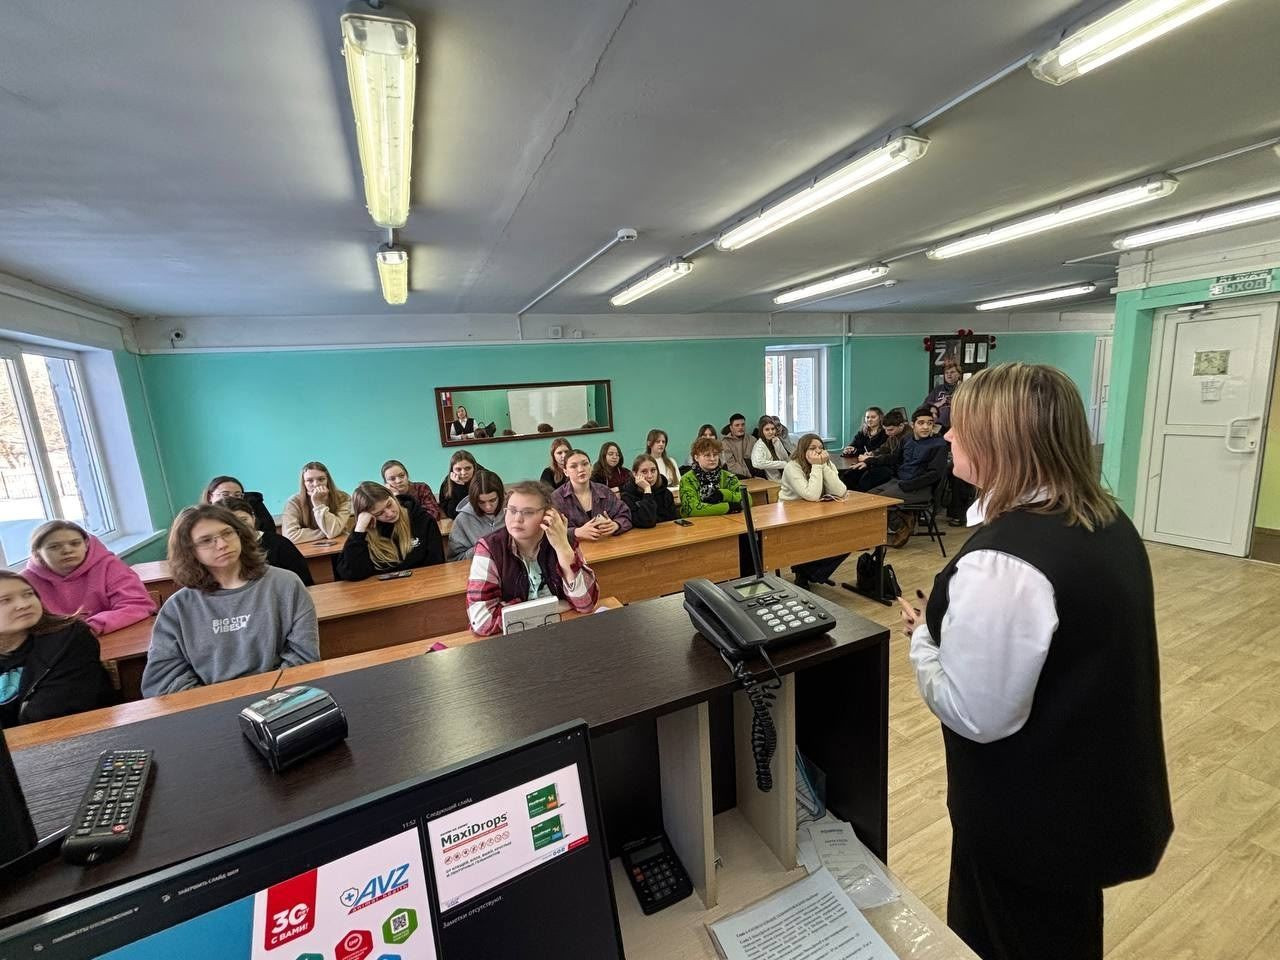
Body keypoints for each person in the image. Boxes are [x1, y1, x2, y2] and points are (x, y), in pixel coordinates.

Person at [900, 363, 1171, 960]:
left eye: (961, 427)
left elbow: (977, 714)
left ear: (1001, 442)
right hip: (1085, 799)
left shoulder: (1003, 562)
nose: (947, 435)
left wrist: (924, 642)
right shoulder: (1107, 520)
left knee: (1003, 936)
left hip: (1023, 820)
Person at [141, 505, 318, 697]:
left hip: (282, 699)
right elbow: (164, 680)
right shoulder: (177, 608)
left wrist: (269, 699)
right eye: (206, 541)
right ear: (189, 551)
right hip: (210, 706)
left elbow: (303, 657)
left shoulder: (285, 584)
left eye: (227, 533)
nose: (222, 544)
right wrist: (216, 701)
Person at [465, 481, 600, 637]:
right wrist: (555, 606)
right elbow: (481, 621)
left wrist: (562, 547)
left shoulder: (564, 540)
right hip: (511, 639)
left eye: (528, 512)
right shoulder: (490, 548)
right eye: (512, 510)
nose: (517, 519)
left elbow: (586, 603)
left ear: (548, 515)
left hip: (561, 631)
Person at [0, 571, 113, 727]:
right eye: (5, 600)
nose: (24, 604)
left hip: (76, 733)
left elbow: (47, 714)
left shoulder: (69, 638)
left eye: (28, 594)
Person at [24, 520, 156, 635]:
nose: (67, 550)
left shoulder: (109, 565)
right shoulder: (24, 581)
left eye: (75, 543)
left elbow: (137, 605)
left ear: (86, 544)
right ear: (37, 552)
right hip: (54, 645)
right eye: (54, 547)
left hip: (110, 635)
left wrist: (90, 627)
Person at [869, 407, 949, 547]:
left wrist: (907, 486)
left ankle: (901, 526)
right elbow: (894, 457)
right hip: (900, 482)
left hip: (920, 488)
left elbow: (934, 474)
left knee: (879, 502)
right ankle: (905, 516)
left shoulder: (939, 444)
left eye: (929, 423)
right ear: (913, 425)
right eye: (921, 423)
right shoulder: (906, 439)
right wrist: (869, 461)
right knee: (868, 497)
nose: (926, 427)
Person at [335, 481, 445, 581]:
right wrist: (359, 531)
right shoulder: (362, 533)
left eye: (389, 504)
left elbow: (436, 564)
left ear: (392, 496)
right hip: (381, 591)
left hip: (421, 584)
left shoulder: (423, 520)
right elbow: (352, 573)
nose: (390, 513)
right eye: (379, 513)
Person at [779, 435, 850, 588]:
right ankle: (804, 573)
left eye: (820, 448)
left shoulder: (824, 462)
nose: (818, 451)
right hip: (792, 514)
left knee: (848, 538)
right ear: (802, 450)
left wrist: (822, 465)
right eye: (812, 448)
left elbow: (840, 491)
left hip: (818, 510)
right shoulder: (792, 466)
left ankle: (811, 572)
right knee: (808, 539)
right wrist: (817, 466)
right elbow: (811, 495)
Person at [220, 497, 314, 587]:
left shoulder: (279, 544)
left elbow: (304, 581)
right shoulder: (221, 552)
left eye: (243, 520)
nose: (239, 526)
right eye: (231, 523)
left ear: (253, 518)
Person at [552, 449, 632, 541]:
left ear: (590, 467)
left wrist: (616, 525)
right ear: (566, 472)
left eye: (585, 464)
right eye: (573, 466)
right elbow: (552, 531)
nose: (581, 469)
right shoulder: (557, 497)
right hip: (574, 548)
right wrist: (576, 532)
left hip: (607, 545)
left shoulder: (604, 491)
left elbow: (625, 514)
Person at [281, 461, 353, 544]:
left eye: (321, 479)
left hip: (339, 545)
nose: (316, 484)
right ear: (304, 483)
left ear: (328, 480)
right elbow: (290, 536)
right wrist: (333, 530)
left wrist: (318, 504)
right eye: (309, 480)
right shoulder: (293, 502)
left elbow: (332, 532)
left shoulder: (343, 498)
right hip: (307, 548)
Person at [449, 469, 506, 560]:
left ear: (501, 496)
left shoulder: (513, 512)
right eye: (481, 502)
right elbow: (454, 560)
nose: (488, 507)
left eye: (493, 500)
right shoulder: (462, 519)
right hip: (477, 566)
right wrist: (481, 549)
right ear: (474, 500)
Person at [679, 437, 744, 517]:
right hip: (697, 522)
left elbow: (747, 500)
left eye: (715, 454)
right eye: (707, 455)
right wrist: (728, 507)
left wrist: (723, 494)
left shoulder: (728, 476)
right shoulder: (687, 479)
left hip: (727, 520)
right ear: (696, 458)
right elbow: (692, 509)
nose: (712, 459)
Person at [844, 410, 907, 492]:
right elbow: (884, 448)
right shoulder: (893, 435)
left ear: (901, 426)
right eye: (886, 430)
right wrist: (872, 453)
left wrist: (869, 460)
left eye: (890, 430)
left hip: (896, 469)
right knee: (850, 474)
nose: (887, 433)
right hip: (884, 463)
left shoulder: (906, 438)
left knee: (866, 479)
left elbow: (893, 457)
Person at [202, 475, 276, 534]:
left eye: (237, 495)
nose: (232, 499)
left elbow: (269, 532)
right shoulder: (201, 519)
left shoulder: (254, 506)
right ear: (210, 497)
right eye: (225, 494)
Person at [620, 455, 678, 528]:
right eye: (644, 472)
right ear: (635, 474)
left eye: (653, 470)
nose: (650, 476)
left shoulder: (666, 493)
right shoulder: (627, 496)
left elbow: (673, 521)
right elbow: (647, 522)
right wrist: (647, 490)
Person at [924, 356, 962, 432]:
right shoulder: (938, 389)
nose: (949, 375)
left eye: (952, 372)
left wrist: (954, 403)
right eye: (946, 373)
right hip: (937, 425)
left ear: (959, 374)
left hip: (956, 425)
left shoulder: (964, 389)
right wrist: (938, 404)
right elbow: (925, 405)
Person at [438, 451, 479, 520]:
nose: (463, 473)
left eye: (468, 468)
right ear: (452, 470)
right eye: (458, 469)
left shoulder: (481, 480)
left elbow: (475, 511)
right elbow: (452, 514)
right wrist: (459, 486)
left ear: (474, 468)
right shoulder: (447, 484)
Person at [644, 430, 682, 500]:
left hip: (672, 497)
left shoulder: (671, 461)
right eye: (658, 442)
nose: (661, 444)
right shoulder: (644, 463)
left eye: (663, 442)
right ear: (649, 443)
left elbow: (679, 482)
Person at [750, 415, 790, 481]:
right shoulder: (759, 445)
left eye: (773, 429)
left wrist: (777, 445)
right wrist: (781, 464)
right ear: (762, 431)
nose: (771, 432)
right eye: (767, 429)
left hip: (786, 476)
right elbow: (757, 463)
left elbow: (785, 457)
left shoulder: (776, 440)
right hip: (774, 480)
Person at [720, 413, 754, 479]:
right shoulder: (725, 443)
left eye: (743, 425)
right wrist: (748, 476)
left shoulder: (752, 440)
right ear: (731, 428)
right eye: (737, 425)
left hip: (754, 475)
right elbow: (731, 465)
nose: (740, 427)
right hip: (736, 477)